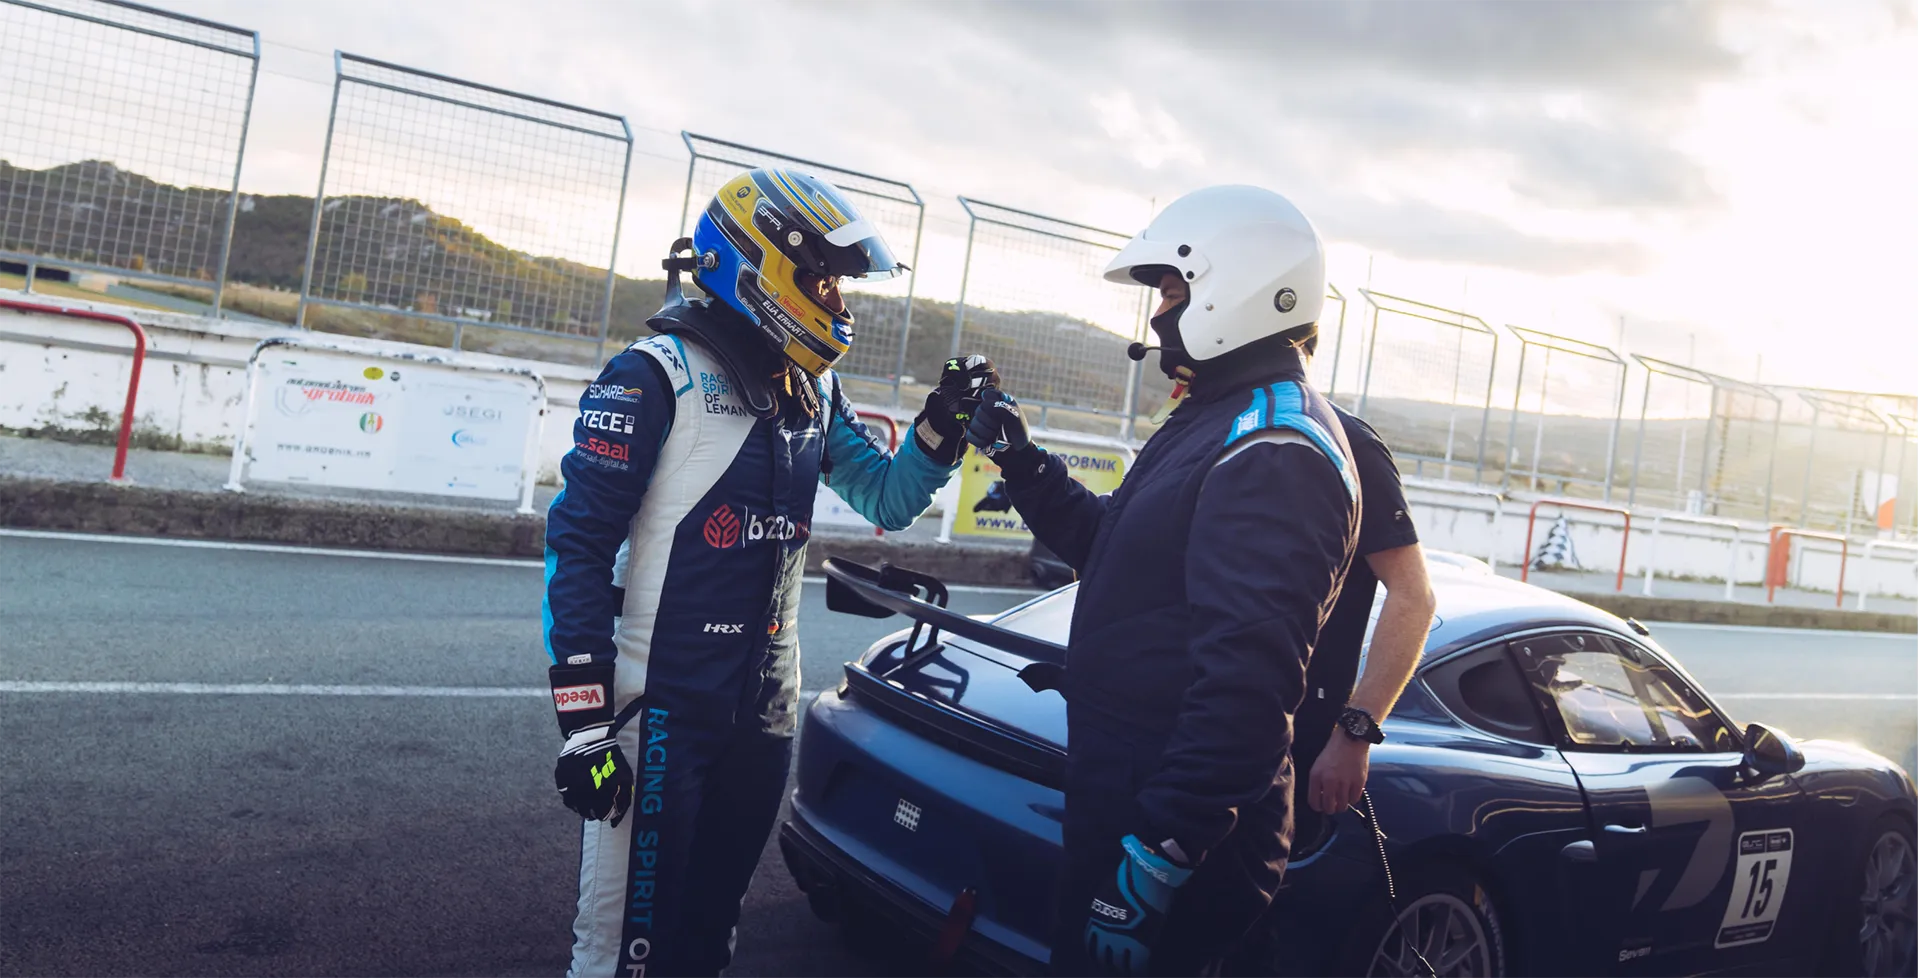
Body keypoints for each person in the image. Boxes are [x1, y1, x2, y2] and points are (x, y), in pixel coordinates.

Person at [541, 167, 997, 978]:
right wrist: (584, 723)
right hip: (661, 711)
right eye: (825, 281)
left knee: (710, 938)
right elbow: (576, 544)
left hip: (764, 716)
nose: (839, 302)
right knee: (622, 956)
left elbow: (886, 498)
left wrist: (940, 428)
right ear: (763, 267)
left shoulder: (814, 387)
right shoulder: (653, 375)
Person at [965, 185, 1360, 977]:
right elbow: (1114, 550)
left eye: (1174, 291)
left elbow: (1248, 693)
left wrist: (1156, 859)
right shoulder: (1220, 416)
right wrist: (1021, 460)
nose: (1158, 315)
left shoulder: (1274, 448)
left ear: (1240, 287)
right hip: (1132, 792)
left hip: (1178, 842)